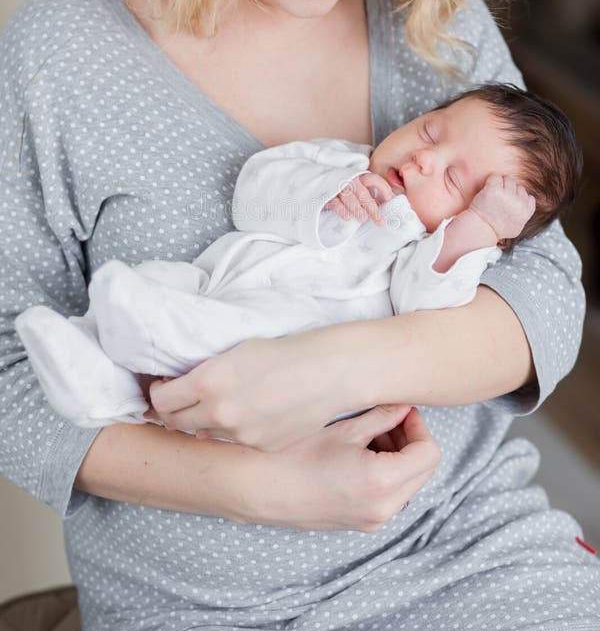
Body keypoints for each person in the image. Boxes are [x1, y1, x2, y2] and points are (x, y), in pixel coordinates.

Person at [1, 0, 598, 631]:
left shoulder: (423, 8)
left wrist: (338, 367)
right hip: (212, 615)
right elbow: (10, 384)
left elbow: (544, 285)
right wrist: (256, 488)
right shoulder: (57, 57)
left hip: (464, 547)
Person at [15, 84, 581, 432]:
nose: (427, 158)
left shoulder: (435, 250)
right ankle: (93, 378)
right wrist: (324, 196)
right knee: (159, 283)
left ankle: (142, 335)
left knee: (208, 324)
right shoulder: (342, 162)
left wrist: (471, 234)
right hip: (218, 276)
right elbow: (255, 190)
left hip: (287, 332)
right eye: (432, 130)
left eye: (456, 179)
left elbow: (423, 302)